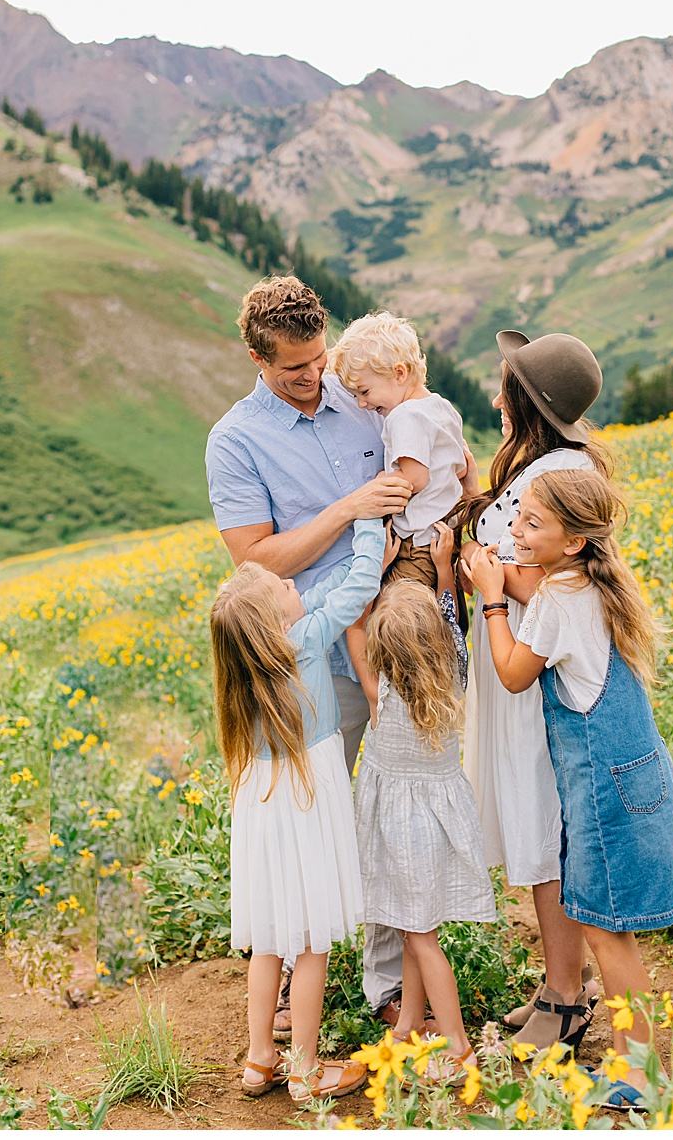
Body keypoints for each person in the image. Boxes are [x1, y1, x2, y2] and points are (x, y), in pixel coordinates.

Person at [207, 277, 472, 1030]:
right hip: (302, 665)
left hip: (389, 642)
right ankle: (295, 980)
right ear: (257, 358)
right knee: (306, 819)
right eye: (294, 367)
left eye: (319, 358)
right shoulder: (233, 440)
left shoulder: (363, 397)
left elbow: (436, 462)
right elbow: (254, 560)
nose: (312, 376)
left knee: (391, 811)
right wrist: (347, 511)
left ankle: (387, 984)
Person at [467, 469, 673, 1109]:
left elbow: (513, 673)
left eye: (532, 523)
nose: (515, 530)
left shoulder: (560, 601)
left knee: (607, 935)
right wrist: (500, 575)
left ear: (571, 541)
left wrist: (488, 599)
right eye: (518, 517)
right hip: (629, 773)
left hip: (604, 790)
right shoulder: (583, 581)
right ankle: (628, 1061)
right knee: (607, 926)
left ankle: (639, 1075)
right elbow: (531, 589)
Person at [456, 331, 610, 1048]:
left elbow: (543, 578)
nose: (494, 398)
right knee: (537, 821)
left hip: (526, 661)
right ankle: (559, 982)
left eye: (505, 388)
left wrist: (487, 579)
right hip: (516, 654)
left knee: (543, 825)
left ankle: (569, 997)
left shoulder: (553, 472)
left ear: (529, 404)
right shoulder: (552, 464)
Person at [218, 516, 391, 1104]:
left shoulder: (247, 661)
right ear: (279, 616)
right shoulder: (310, 636)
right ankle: (305, 1068)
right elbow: (361, 580)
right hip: (308, 797)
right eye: (286, 586)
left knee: (268, 937)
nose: (295, 584)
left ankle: (259, 1057)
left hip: (261, 802)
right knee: (312, 938)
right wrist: (368, 520)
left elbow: (312, 595)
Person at [352, 525, 494, 1079]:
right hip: (439, 821)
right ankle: (410, 1023)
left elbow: (353, 627)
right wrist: (439, 572)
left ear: (388, 653)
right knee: (418, 928)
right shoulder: (452, 672)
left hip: (403, 833)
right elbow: (451, 620)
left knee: (422, 939)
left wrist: (375, 572)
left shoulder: (382, 695)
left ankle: (456, 1045)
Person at [326, 310, 470, 719]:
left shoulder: (404, 416)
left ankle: (401, 710)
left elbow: (415, 478)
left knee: (399, 633)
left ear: (400, 373)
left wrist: (375, 489)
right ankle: (432, 698)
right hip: (441, 539)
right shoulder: (441, 407)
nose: (362, 403)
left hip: (413, 546)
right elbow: (455, 469)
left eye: (366, 391)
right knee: (439, 622)